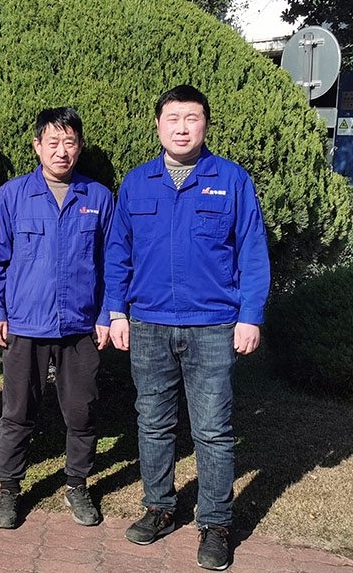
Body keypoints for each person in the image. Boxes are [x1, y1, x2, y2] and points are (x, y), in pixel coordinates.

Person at [104, 85, 270, 571]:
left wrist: (250, 315)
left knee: (213, 431)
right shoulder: (137, 183)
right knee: (153, 423)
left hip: (213, 327)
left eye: (191, 118)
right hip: (149, 325)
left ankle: (216, 523)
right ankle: (159, 508)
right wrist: (116, 312)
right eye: (172, 118)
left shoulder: (231, 179)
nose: (181, 127)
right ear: (158, 125)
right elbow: (118, 252)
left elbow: (252, 251)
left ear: (205, 124)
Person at [0, 107, 114, 529]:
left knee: (82, 412)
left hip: (80, 326)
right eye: (53, 142)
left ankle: (77, 484)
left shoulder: (98, 198)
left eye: (69, 142)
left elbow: (111, 264)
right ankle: (8, 489)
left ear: (79, 147)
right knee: (17, 412)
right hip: (26, 324)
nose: (62, 151)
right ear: (37, 146)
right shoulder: (12, 195)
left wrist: (107, 314)